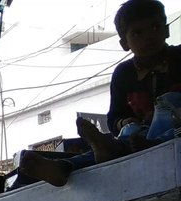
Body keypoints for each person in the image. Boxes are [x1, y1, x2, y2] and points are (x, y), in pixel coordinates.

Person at [19, 0, 181, 187]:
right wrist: (124, 121)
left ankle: (143, 145)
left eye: (155, 27)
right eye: (137, 33)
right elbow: (115, 118)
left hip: (174, 131)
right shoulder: (123, 73)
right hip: (139, 137)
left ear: (167, 30)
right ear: (124, 43)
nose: (149, 37)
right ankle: (63, 166)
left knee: (167, 105)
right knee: (122, 138)